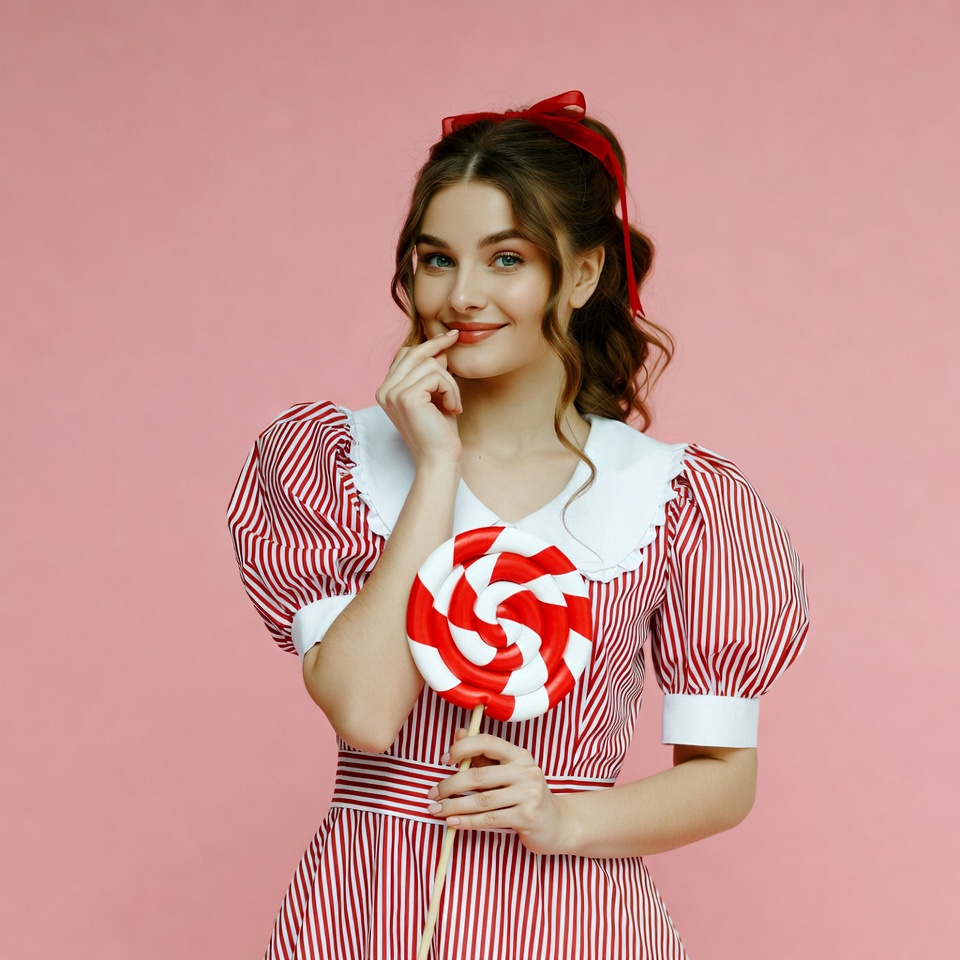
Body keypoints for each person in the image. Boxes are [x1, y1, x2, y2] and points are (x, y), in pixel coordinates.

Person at [228, 91, 809, 959]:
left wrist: (561, 816)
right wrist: (435, 468)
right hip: (363, 918)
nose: (462, 296)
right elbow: (367, 713)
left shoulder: (681, 500)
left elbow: (725, 780)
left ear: (579, 274)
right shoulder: (331, 462)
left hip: (577, 923)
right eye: (435, 259)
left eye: (506, 260)